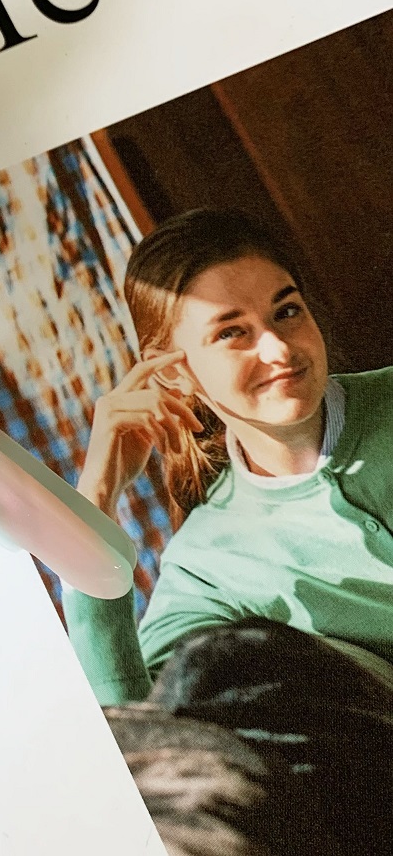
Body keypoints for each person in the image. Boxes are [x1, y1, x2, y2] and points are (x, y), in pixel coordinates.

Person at [63, 208, 393, 853]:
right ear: (173, 371)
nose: (278, 349)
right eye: (232, 332)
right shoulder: (207, 562)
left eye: (286, 311)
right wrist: (93, 507)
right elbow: (146, 745)